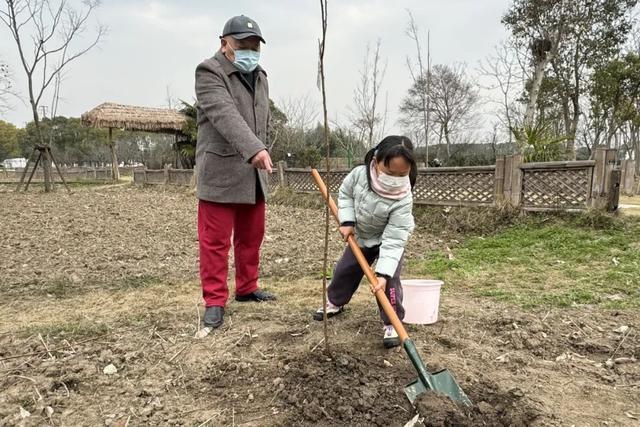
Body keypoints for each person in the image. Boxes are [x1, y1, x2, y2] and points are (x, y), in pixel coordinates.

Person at [195, 15, 276, 333]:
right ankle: (215, 302)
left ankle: (247, 287)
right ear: (224, 43)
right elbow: (224, 115)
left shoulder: (260, 76)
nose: (250, 52)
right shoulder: (209, 72)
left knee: (251, 237)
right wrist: (255, 149)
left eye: (255, 47)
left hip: (254, 174)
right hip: (221, 170)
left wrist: (260, 150)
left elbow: (261, 119)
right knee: (215, 242)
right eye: (243, 45)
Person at [314, 136, 417, 348]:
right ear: (377, 160)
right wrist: (347, 220)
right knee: (345, 270)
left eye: (402, 174)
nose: (395, 178)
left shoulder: (404, 197)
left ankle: (392, 322)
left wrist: (383, 274)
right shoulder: (360, 175)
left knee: (389, 284)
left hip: (388, 240)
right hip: (361, 235)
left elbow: (395, 236)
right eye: (390, 172)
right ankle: (335, 302)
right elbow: (345, 195)